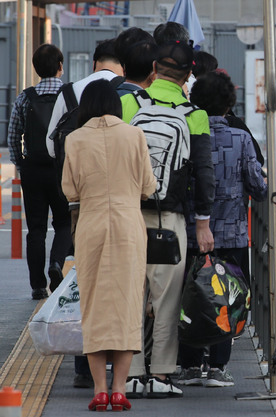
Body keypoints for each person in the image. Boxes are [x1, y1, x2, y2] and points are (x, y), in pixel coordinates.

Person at [121, 40, 215, 399]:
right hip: (170, 219)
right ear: (189, 74)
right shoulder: (195, 116)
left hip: (129, 213)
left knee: (132, 295)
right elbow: (204, 174)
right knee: (166, 299)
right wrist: (203, 223)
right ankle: (159, 375)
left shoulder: (129, 103)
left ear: (154, 70)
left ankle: (130, 373)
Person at [62, 79, 157, 412]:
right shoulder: (135, 136)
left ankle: (99, 390)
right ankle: (120, 389)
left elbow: (69, 191)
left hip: (91, 226)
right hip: (128, 225)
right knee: (127, 306)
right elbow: (148, 185)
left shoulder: (74, 139)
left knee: (94, 308)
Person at [43, 38, 125, 390]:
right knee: (122, 289)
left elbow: (50, 144)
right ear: (121, 64)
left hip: (82, 211)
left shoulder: (70, 92)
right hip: (125, 214)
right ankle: (122, 377)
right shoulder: (130, 96)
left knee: (85, 286)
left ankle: (83, 369)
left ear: (94, 62)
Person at [177, 70, 267, 388]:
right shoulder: (241, 139)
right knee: (228, 300)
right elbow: (258, 186)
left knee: (190, 296)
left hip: (191, 234)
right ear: (229, 104)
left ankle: (188, 365)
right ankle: (217, 366)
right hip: (232, 235)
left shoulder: (186, 133)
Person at [7, 44, 70, 301]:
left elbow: (13, 135)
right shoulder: (70, 96)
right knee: (65, 222)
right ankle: (56, 263)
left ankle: (37, 285)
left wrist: (21, 164)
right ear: (60, 66)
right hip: (62, 169)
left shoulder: (25, 97)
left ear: (35, 69)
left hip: (32, 168)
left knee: (35, 228)